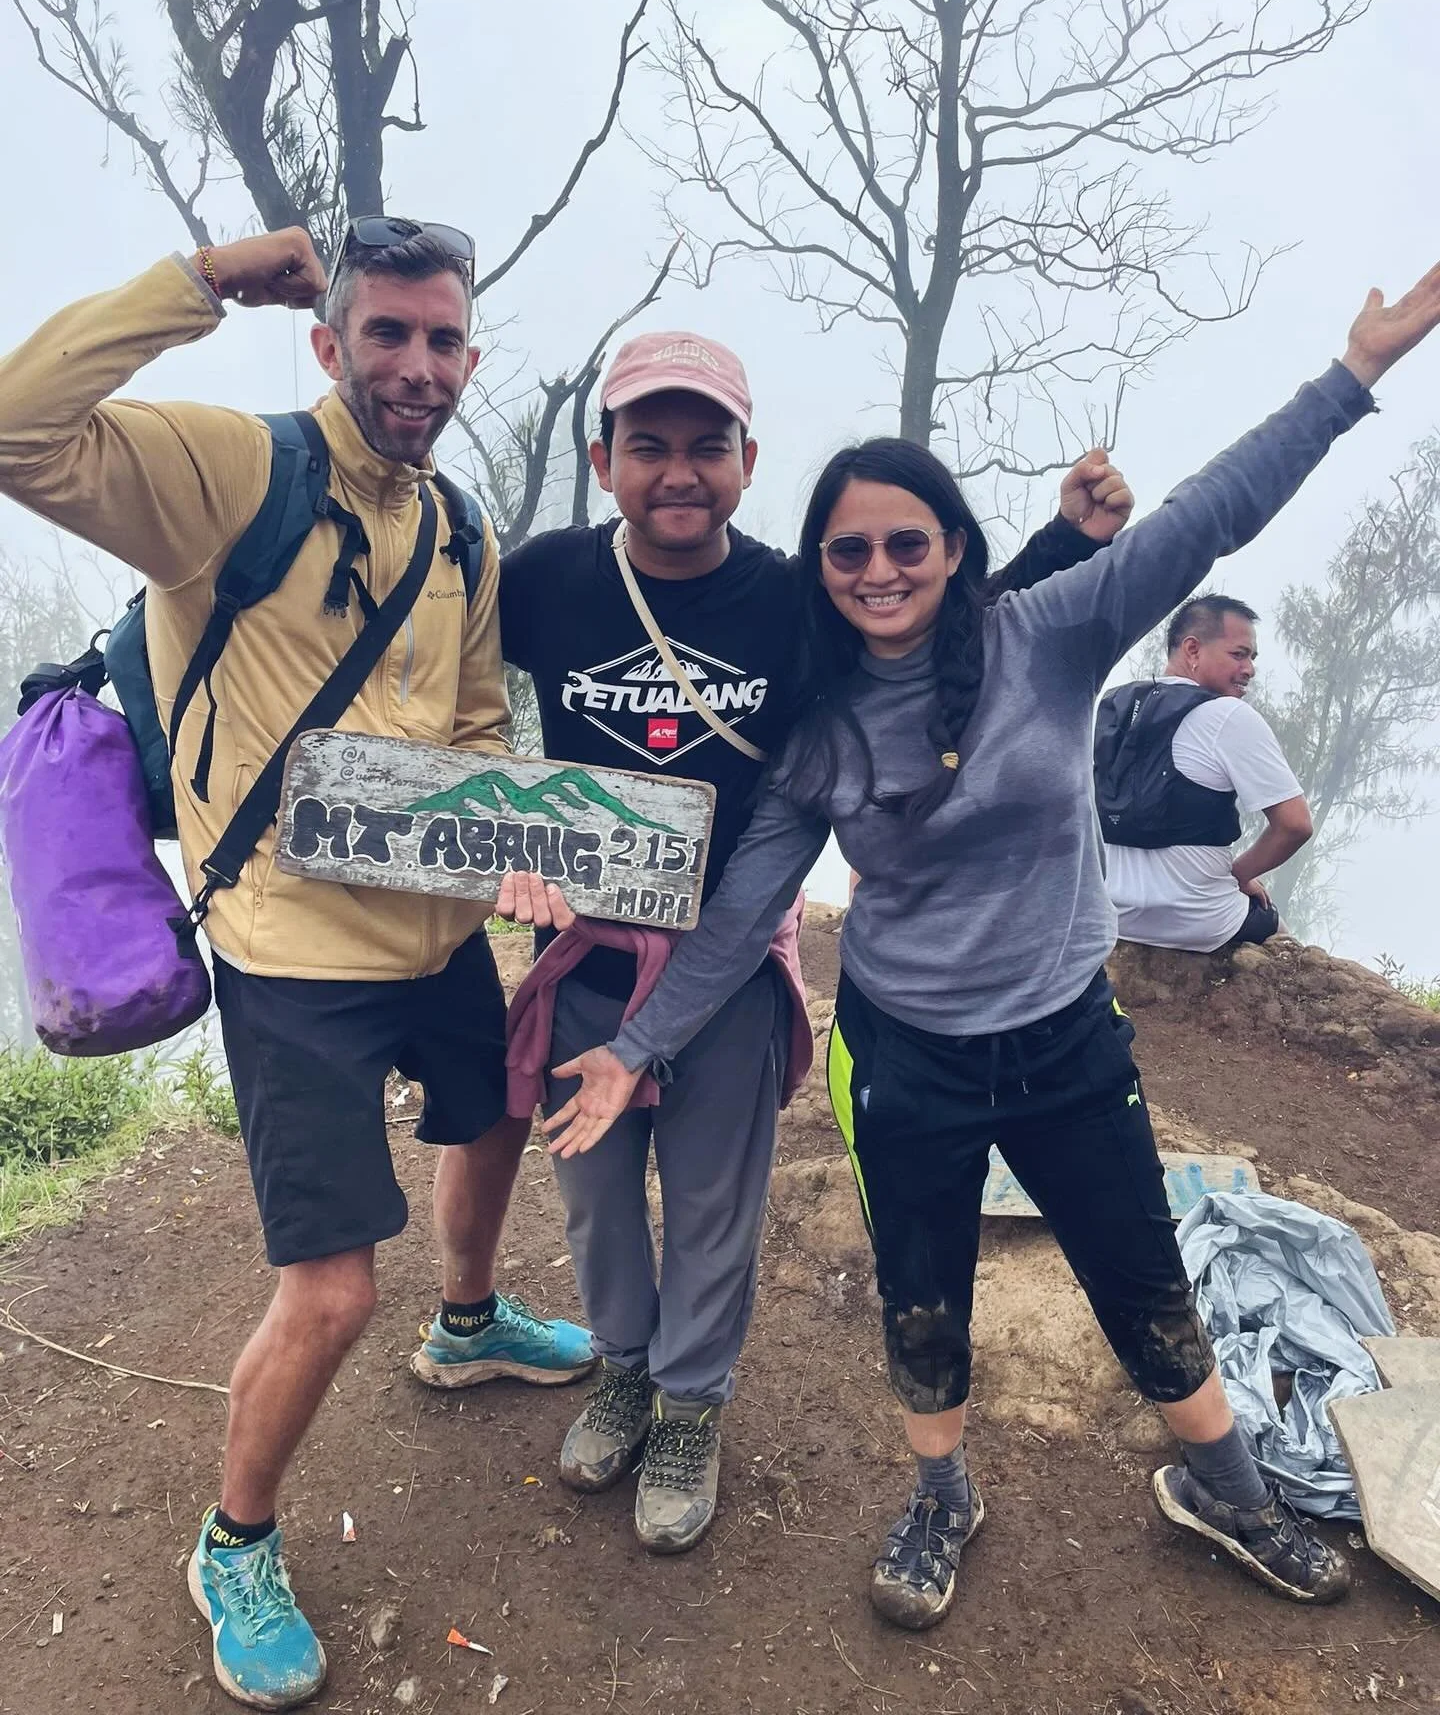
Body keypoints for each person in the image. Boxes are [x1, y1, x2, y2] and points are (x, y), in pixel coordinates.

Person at [546, 261, 1440, 1625]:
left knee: (1139, 1269)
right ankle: (938, 1494)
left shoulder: (1052, 631)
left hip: (1067, 1031)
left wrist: (1354, 373)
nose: (879, 570)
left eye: (908, 542)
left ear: (956, 549)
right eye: (849, 551)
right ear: (824, 570)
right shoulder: (821, 728)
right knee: (923, 1291)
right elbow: (744, 913)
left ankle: (1225, 1485)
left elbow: (1210, 516)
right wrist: (634, 1049)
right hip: (905, 1050)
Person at [0, 223, 591, 1710]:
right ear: (329, 343)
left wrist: (510, 845)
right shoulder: (235, 478)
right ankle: (236, 1538)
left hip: (434, 935)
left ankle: (466, 1329)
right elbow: (16, 429)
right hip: (289, 958)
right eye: (387, 333)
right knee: (329, 1295)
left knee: (496, 1107)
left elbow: (465, 730)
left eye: (445, 339)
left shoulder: (460, 529)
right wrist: (197, 281)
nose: (419, 365)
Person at [450, 329, 1135, 1555]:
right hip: (587, 956)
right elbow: (430, 676)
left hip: (728, 957)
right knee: (595, 1192)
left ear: (748, 458)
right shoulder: (547, 579)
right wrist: (488, 808)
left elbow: (931, 624)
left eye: (707, 445)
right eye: (648, 445)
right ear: (603, 460)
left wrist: (1069, 544)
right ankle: (623, 1367)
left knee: (714, 1201)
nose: (679, 471)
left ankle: (692, 1406)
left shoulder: (783, 597)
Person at [1096, 595, 1312, 949]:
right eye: (1239, 654)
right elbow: (1295, 824)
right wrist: (1238, 876)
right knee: (1290, 954)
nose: (1250, 670)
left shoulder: (1114, 707)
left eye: (1252, 658)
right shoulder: (1228, 715)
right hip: (1200, 919)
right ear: (1192, 650)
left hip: (1114, 913)